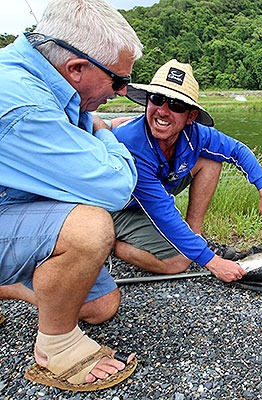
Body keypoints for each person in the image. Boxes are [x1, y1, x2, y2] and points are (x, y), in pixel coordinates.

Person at [0, 0, 143, 391]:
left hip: (9, 203)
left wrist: (93, 126)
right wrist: (104, 133)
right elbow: (114, 188)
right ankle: (56, 349)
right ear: (77, 68)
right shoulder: (22, 102)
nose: (123, 91)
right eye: (117, 81)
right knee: (89, 226)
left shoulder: (47, 82)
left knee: (99, 307)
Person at [110, 59, 262, 281]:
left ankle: (194, 234)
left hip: (149, 200)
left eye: (176, 105)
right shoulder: (130, 143)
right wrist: (214, 262)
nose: (162, 111)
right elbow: (162, 212)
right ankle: (109, 243)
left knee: (210, 160)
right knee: (179, 262)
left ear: (191, 116)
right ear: (147, 102)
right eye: (157, 99)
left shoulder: (197, 135)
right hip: (117, 208)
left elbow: (237, 150)